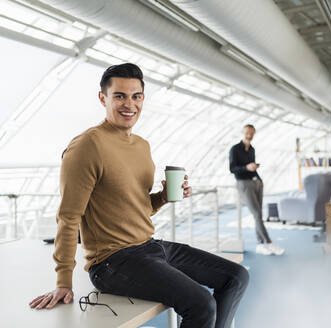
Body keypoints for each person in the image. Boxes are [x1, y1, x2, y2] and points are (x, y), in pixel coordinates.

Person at [29, 63, 249, 328]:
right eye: (119, 96)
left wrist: (165, 196)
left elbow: (139, 206)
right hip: (112, 262)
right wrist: (63, 281)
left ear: (143, 99)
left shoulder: (142, 146)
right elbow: (67, 217)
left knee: (236, 277)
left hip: (150, 247)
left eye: (136, 96)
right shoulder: (87, 146)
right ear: (103, 98)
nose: (128, 104)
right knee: (201, 304)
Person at [229, 124, 285, 256]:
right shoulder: (235, 149)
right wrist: (246, 168)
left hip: (256, 183)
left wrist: (259, 178)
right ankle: (269, 242)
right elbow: (232, 169)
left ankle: (260, 244)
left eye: (252, 133)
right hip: (244, 184)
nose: (250, 135)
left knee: (259, 214)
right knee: (257, 214)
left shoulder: (252, 149)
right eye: (248, 132)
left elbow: (252, 166)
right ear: (243, 132)